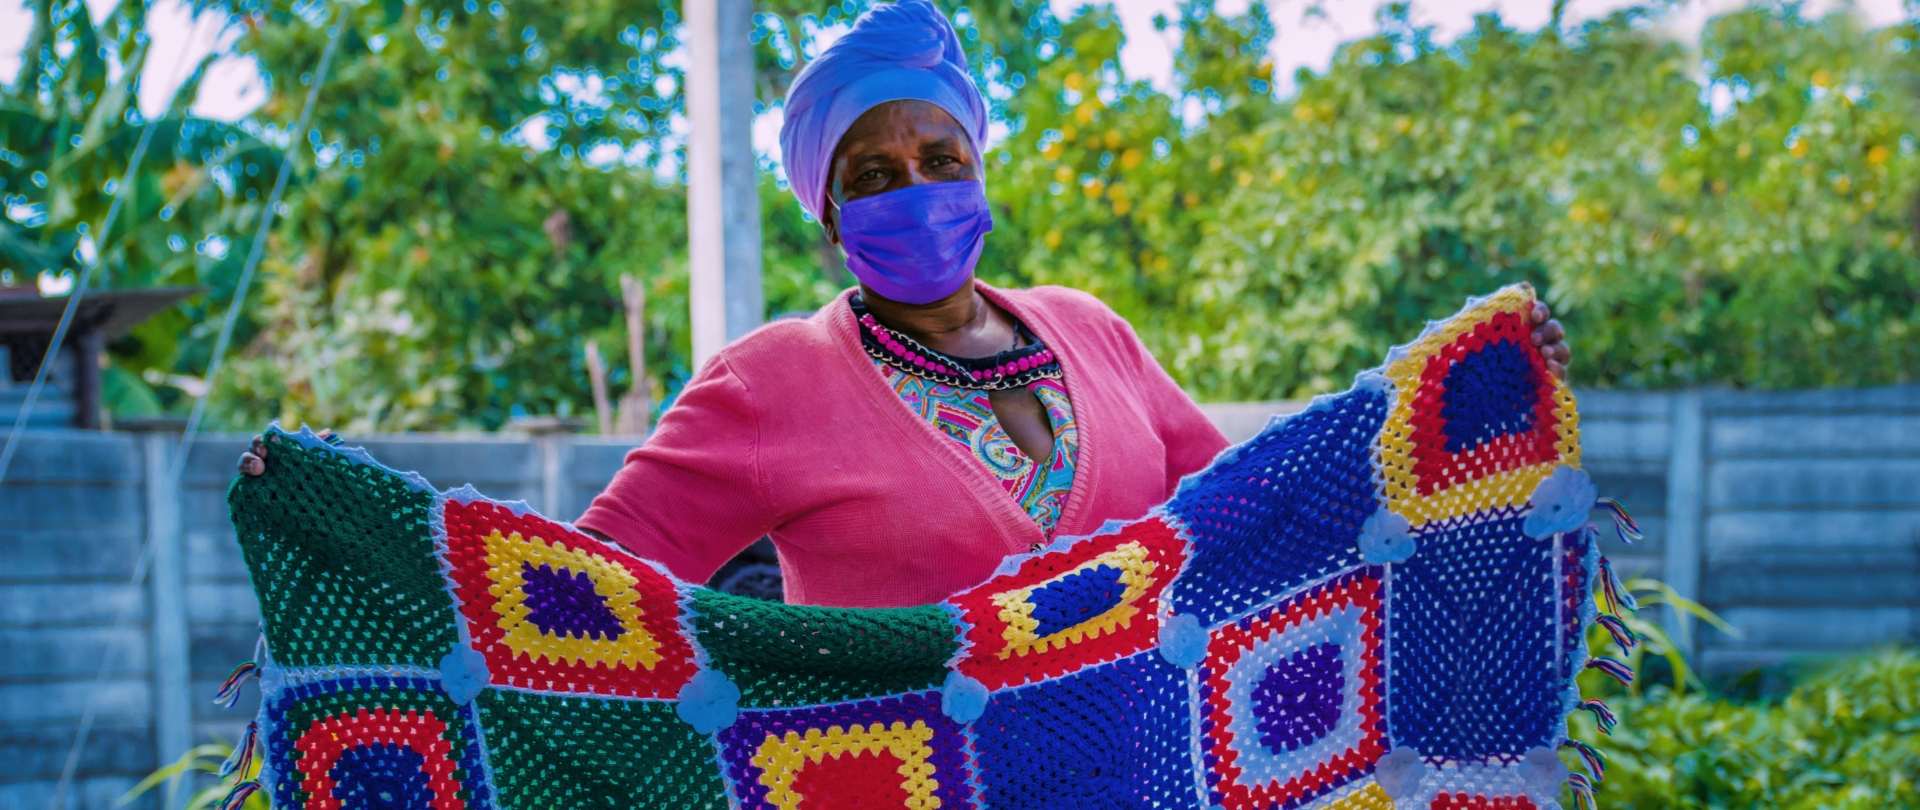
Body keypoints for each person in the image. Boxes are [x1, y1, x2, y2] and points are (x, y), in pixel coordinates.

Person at [238, 0, 1571, 609]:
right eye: (873, 174)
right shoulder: (764, 386)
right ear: (828, 213)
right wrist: (369, 556)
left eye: (941, 160)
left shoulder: (1089, 327)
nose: (914, 190)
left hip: (1147, 770)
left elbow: (1261, 506)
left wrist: (1457, 401)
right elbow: (582, 591)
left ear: (980, 168)